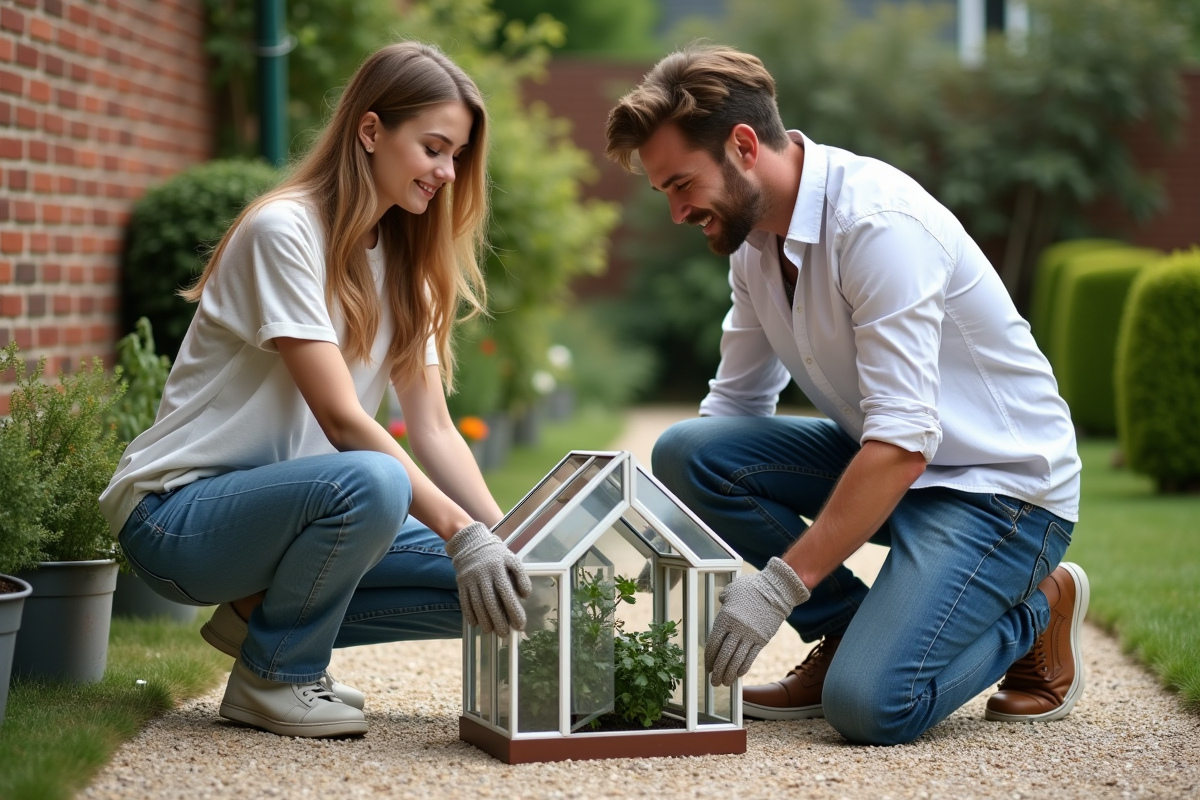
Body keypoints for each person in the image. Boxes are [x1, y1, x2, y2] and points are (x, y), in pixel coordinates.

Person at [604, 44, 1088, 746]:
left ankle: (1040, 605)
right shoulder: (753, 245)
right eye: (665, 193)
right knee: (688, 453)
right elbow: (734, 410)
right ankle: (842, 631)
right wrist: (683, 551)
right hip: (900, 467)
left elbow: (901, 446)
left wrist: (778, 586)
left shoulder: (878, 227)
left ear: (743, 146)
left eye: (681, 184)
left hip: (1001, 495)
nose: (677, 211)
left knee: (868, 708)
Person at [100, 42, 530, 739]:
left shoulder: (405, 265)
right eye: (433, 148)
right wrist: (458, 531)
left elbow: (435, 429)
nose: (448, 174)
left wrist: (509, 545)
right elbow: (339, 417)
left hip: (288, 518)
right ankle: (275, 678)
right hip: (178, 518)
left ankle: (263, 629)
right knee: (373, 483)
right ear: (370, 132)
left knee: (491, 591)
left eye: (456, 156)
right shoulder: (286, 230)